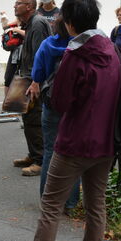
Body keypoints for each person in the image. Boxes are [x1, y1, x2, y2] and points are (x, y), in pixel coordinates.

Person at [6, 0, 121, 241]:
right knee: (96, 206)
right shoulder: (113, 49)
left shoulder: (75, 56)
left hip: (74, 141)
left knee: (51, 206)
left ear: (71, 23)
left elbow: (60, 102)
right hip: (105, 142)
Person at [27, 17, 80, 214]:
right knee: (73, 152)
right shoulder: (81, 45)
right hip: (76, 106)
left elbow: (38, 73)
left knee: (50, 150)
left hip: (52, 103)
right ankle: (71, 203)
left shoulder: (48, 44)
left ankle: (46, 200)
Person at [13, 0, 51, 177]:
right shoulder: (30, 24)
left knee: (35, 120)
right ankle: (33, 154)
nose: (15, 5)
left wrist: (36, 81)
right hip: (28, 78)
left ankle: (40, 161)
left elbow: (41, 55)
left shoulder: (37, 24)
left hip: (36, 81)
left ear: (28, 6)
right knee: (28, 119)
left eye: (18, 3)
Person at [0, 12, 25, 98]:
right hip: (14, 55)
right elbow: (5, 27)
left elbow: (29, 35)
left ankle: (22, 103)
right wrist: (4, 19)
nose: (17, 20)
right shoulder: (16, 24)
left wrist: (17, 30)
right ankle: (6, 102)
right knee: (8, 78)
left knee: (23, 79)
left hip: (26, 56)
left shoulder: (31, 24)